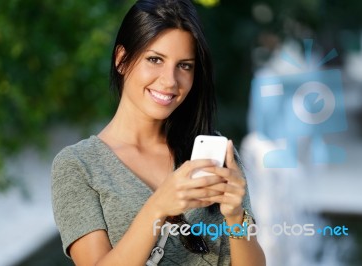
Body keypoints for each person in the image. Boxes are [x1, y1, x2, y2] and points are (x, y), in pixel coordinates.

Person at [51, 0, 266, 265]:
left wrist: (235, 217)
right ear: (121, 59)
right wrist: (157, 207)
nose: (170, 81)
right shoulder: (78, 166)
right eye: (155, 60)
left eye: (184, 65)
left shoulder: (217, 154)